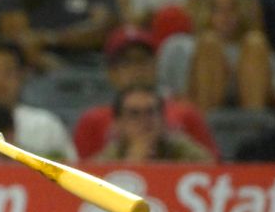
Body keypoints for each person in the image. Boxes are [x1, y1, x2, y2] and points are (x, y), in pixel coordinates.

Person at [73, 27, 219, 159]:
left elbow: (213, 170)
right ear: (112, 73)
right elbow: (80, 174)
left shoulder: (187, 113)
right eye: (127, 62)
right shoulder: (92, 120)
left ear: (156, 66)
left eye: (143, 60)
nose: (137, 69)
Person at [157, 0, 275, 111]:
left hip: (252, 116)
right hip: (193, 115)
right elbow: (163, 92)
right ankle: (203, 126)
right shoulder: (179, 46)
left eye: (232, 9)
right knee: (209, 42)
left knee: (255, 41)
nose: (225, 16)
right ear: (203, 10)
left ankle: (255, 126)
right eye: (217, 9)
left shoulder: (259, 48)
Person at [0, 40, 78, 161]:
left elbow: (69, 168)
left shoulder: (47, 124)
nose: (0, 79)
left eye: (8, 71)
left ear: (22, 75)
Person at [96, 85, 214, 163]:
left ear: (163, 120)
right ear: (118, 124)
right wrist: (133, 162)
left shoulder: (180, 147)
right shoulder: (110, 156)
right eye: (134, 114)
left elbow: (210, 169)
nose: (144, 120)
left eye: (151, 112)